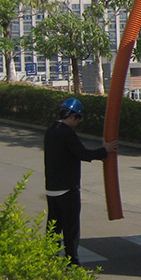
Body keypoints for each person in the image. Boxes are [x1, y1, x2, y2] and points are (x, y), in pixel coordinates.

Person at [43, 97, 118, 265]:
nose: (77, 122)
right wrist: (104, 151)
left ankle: (50, 259)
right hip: (67, 189)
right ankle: (72, 262)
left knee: (53, 227)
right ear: (73, 116)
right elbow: (82, 154)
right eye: (78, 119)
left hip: (51, 188)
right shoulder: (67, 133)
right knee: (71, 229)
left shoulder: (51, 130)